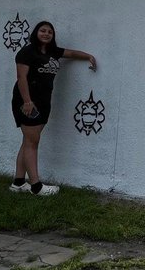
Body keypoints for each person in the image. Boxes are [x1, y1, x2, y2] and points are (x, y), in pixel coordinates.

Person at [11, 21, 97, 195]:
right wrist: (27, 101)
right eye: (43, 30)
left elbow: (71, 53)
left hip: (44, 101)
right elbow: (21, 78)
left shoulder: (53, 52)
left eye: (50, 32)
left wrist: (89, 56)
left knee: (28, 141)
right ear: (36, 32)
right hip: (28, 102)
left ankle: (18, 183)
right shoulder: (27, 52)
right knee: (32, 142)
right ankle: (36, 186)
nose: (46, 34)